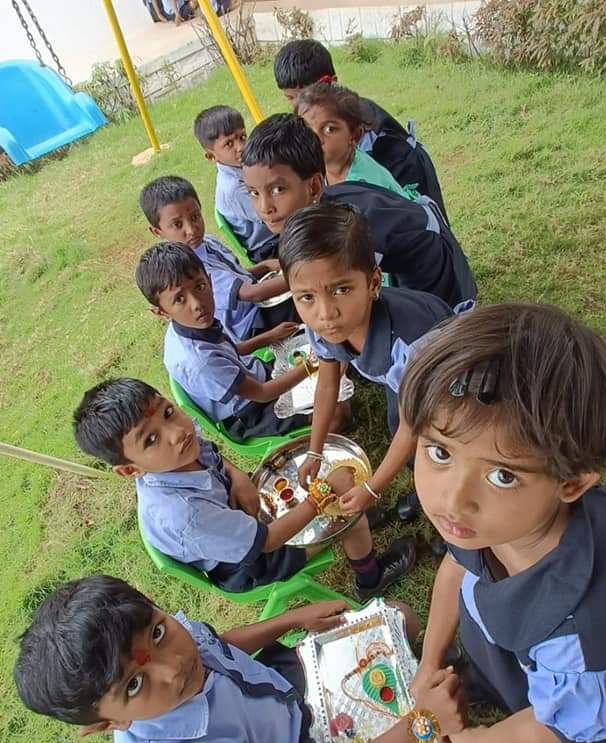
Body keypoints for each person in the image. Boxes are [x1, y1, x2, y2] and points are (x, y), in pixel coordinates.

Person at [14, 575, 523, 743]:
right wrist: (419, 724)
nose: (174, 667)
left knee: (398, 615)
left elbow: (216, 644)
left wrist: (291, 621)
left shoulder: (157, 645)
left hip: (286, 682)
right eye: (133, 686)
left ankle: (439, 682)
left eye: (160, 632)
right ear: (108, 724)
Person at [399, 302, 606, 743]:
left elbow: (550, 727)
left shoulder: (581, 639)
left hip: (558, 712)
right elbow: (456, 569)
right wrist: (430, 661)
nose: (453, 500)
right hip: (504, 647)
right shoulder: (490, 524)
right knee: (495, 669)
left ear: (572, 484)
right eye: (439, 452)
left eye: (502, 475)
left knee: (538, 736)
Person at [73, 379, 419, 599]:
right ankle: (370, 578)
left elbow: (215, 456)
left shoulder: (179, 444)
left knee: (309, 486)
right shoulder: (185, 514)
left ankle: (351, 525)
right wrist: (322, 494)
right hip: (251, 562)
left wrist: (237, 476)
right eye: (150, 439)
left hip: (237, 519)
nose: (176, 431)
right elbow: (267, 542)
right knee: (350, 517)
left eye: (167, 412)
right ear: (130, 470)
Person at [279, 203, 451, 524]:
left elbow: (412, 425)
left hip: (447, 382)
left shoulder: (411, 346)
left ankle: (442, 495)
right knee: (398, 426)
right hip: (403, 383)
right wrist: (315, 450)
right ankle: (424, 481)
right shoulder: (323, 327)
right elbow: (327, 383)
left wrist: (372, 488)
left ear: (373, 283)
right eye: (307, 297)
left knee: (440, 441)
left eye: (341, 289)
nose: (326, 313)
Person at [241, 114, 476, 312]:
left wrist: (243, 291)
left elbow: (312, 280)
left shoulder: (345, 228)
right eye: (253, 193)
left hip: (438, 286)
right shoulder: (323, 205)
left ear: (314, 187)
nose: (265, 207)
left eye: (278, 189)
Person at [135, 242, 311, 439]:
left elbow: (230, 350)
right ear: (162, 313)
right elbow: (263, 393)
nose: (197, 304)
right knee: (333, 411)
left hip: (255, 375)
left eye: (200, 287)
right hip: (251, 411)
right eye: (179, 299)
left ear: (210, 282)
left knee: (310, 351)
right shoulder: (200, 361)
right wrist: (310, 366)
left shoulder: (191, 324)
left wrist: (270, 336)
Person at [273, 38, 448, 219]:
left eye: (307, 95)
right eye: (291, 98)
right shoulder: (330, 132)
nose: (302, 105)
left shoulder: (370, 146)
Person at [139, 176, 298, 345]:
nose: (191, 229)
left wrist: (264, 267)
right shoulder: (192, 270)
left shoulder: (207, 241)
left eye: (195, 217)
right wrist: (299, 275)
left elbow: (234, 274)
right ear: (157, 231)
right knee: (303, 302)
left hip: (257, 305)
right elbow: (252, 293)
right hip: (251, 325)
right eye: (178, 225)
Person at [294, 83, 417, 199]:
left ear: (355, 136)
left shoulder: (363, 187)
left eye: (329, 129)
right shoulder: (320, 164)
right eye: (307, 129)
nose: (315, 138)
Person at [193, 105, 276, 263]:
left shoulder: (247, 165)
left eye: (242, 137)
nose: (241, 147)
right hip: (270, 247)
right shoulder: (233, 189)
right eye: (229, 144)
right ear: (211, 156)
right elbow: (273, 213)